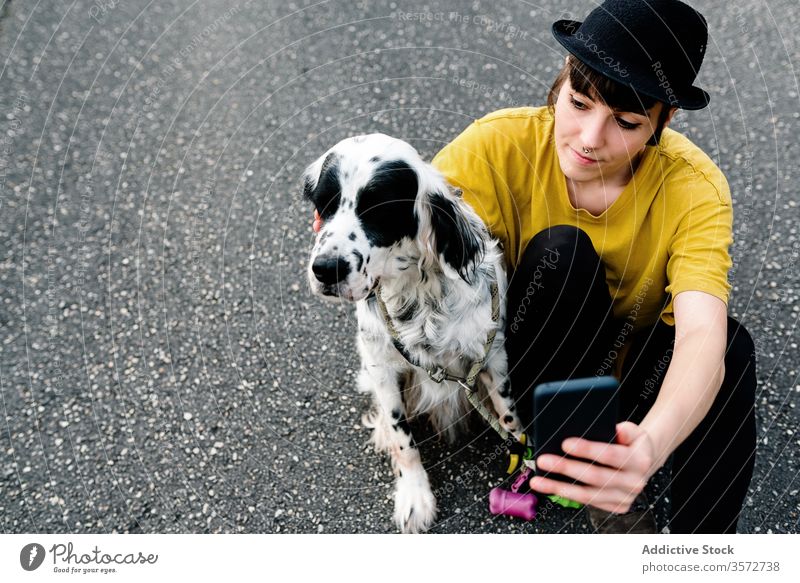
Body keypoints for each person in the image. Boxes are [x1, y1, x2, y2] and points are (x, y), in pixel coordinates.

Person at [312, 0, 757, 534]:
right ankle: (568, 460)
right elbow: (407, 213)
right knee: (563, 254)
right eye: (578, 101)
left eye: (625, 121)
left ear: (665, 120)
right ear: (563, 77)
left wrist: (654, 441)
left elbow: (701, 334)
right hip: (533, 357)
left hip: (635, 367)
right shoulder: (499, 145)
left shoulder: (695, 189)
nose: (590, 137)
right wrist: (341, 229)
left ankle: (702, 553)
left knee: (734, 349)